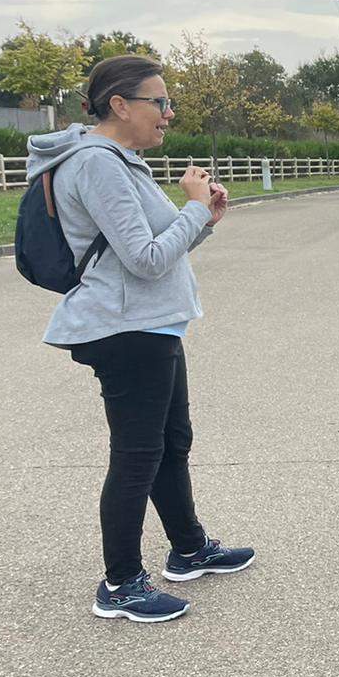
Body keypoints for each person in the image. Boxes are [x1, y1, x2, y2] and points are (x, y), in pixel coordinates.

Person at [29, 53, 252, 623]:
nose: (169, 114)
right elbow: (147, 259)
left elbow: (160, 253)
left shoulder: (123, 161)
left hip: (152, 322)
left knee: (171, 443)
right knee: (136, 456)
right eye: (161, 102)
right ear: (120, 104)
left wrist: (203, 219)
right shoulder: (98, 163)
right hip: (126, 329)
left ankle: (188, 548)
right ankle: (121, 583)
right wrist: (193, 209)